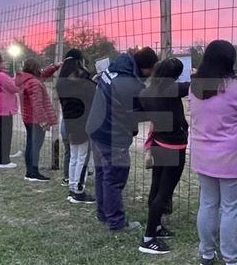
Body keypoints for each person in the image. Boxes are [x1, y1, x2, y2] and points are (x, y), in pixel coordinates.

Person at [189, 40, 237, 265]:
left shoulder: (195, 87)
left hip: (203, 157)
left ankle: (206, 254)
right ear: (231, 60)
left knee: (208, 204)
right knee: (231, 210)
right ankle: (232, 264)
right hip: (232, 160)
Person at [86, 47, 158, 232]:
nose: (150, 76)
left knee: (103, 175)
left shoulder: (116, 67)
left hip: (96, 129)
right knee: (114, 179)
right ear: (145, 67)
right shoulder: (130, 84)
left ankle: (103, 213)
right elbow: (140, 113)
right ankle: (117, 222)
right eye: (151, 71)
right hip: (112, 137)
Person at [137, 57, 190, 255]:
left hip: (158, 142)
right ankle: (149, 238)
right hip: (174, 147)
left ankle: (156, 226)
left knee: (156, 187)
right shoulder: (172, 90)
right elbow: (195, 86)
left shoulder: (146, 92)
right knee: (164, 192)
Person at [57, 49, 96, 204]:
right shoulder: (81, 81)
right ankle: (78, 191)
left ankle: (73, 187)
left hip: (70, 122)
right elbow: (93, 93)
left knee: (75, 156)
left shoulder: (62, 81)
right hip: (83, 123)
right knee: (83, 158)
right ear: (79, 62)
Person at [17, 57, 60, 181]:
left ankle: (30, 171)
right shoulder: (34, 83)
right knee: (35, 146)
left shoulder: (26, 80)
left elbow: (43, 75)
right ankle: (33, 172)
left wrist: (54, 67)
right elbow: (37, 104)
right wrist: (43, 121)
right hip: (35, 120)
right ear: (35, 68)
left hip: (28, 118)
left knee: (31, 144)